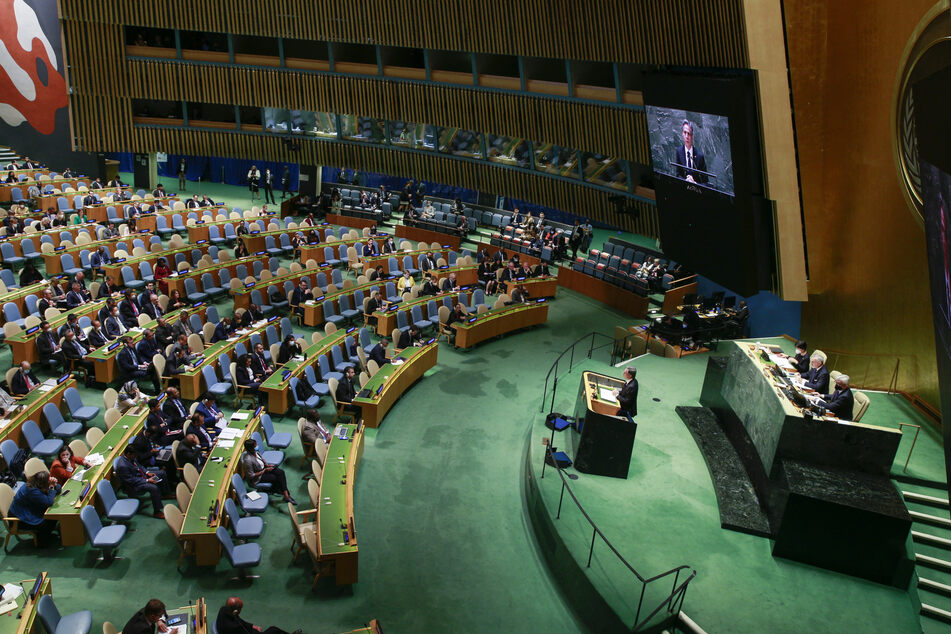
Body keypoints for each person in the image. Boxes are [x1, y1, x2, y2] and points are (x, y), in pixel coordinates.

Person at [9, 472, 60, 546]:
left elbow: (58, 489)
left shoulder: (37, 483)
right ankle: (42, 542)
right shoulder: (31, 490)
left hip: (30, 508)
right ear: (43, 483)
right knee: (49, 519)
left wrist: (54, 484)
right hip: (20, 517)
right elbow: (48, 502)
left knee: (52, 514)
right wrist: (52, 487)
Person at [241, 439, 296, 504]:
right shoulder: (248, 460)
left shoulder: (255, 451)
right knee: (275, 477)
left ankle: (286, 495)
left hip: (263, 469)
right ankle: (286, 495)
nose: (257, 446)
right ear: (251, 448)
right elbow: (251, 475)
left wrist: (267, 465)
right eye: (255, 445)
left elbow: (261, 459)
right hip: (257, 478)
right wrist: (265, 470)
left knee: (280, 472)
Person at [215, 597, 299, 634]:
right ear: (236, 611)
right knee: (273, 630)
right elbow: (241, 627)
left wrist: (252, 626)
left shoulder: (224, 610)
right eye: (241, 608)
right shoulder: (235, 627)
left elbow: (239, 620)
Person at [675, 119, 707, 184]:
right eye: (685, 132)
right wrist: (685, 181)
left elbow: (705, 182)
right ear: (682, 134)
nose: (686, 136)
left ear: (692, 136)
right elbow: (677, 175)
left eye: (689, 134)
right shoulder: (679, 151)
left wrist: (695, 183)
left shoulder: (699, 156)